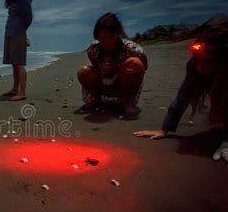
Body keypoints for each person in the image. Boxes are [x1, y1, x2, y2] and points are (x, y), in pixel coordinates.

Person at [134, 29, 228, 162]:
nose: (200, 67)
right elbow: (181, 98)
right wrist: (164, 129)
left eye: (208, 62)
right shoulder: (193, 67)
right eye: (198, 61)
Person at [78, 13, 148, 115]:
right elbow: (95, 69)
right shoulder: (94, 49)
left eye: (105, 37)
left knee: (135, 63)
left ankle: (126, 103)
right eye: (99, 38)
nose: (102, 42)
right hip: (104, 87)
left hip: (124, 87)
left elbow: (144, 67)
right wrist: (102, 72)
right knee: (83, 71)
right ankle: (97, 100)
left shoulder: (131, 48)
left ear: (116, 34)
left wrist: (119, 70)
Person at [1, 0, 33, 101]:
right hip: (10, 32)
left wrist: (22, 33)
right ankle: (15, 89)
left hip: (18, 32)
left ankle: (22, 92)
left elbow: (28, 16)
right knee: (14, 63)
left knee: (19, 63)